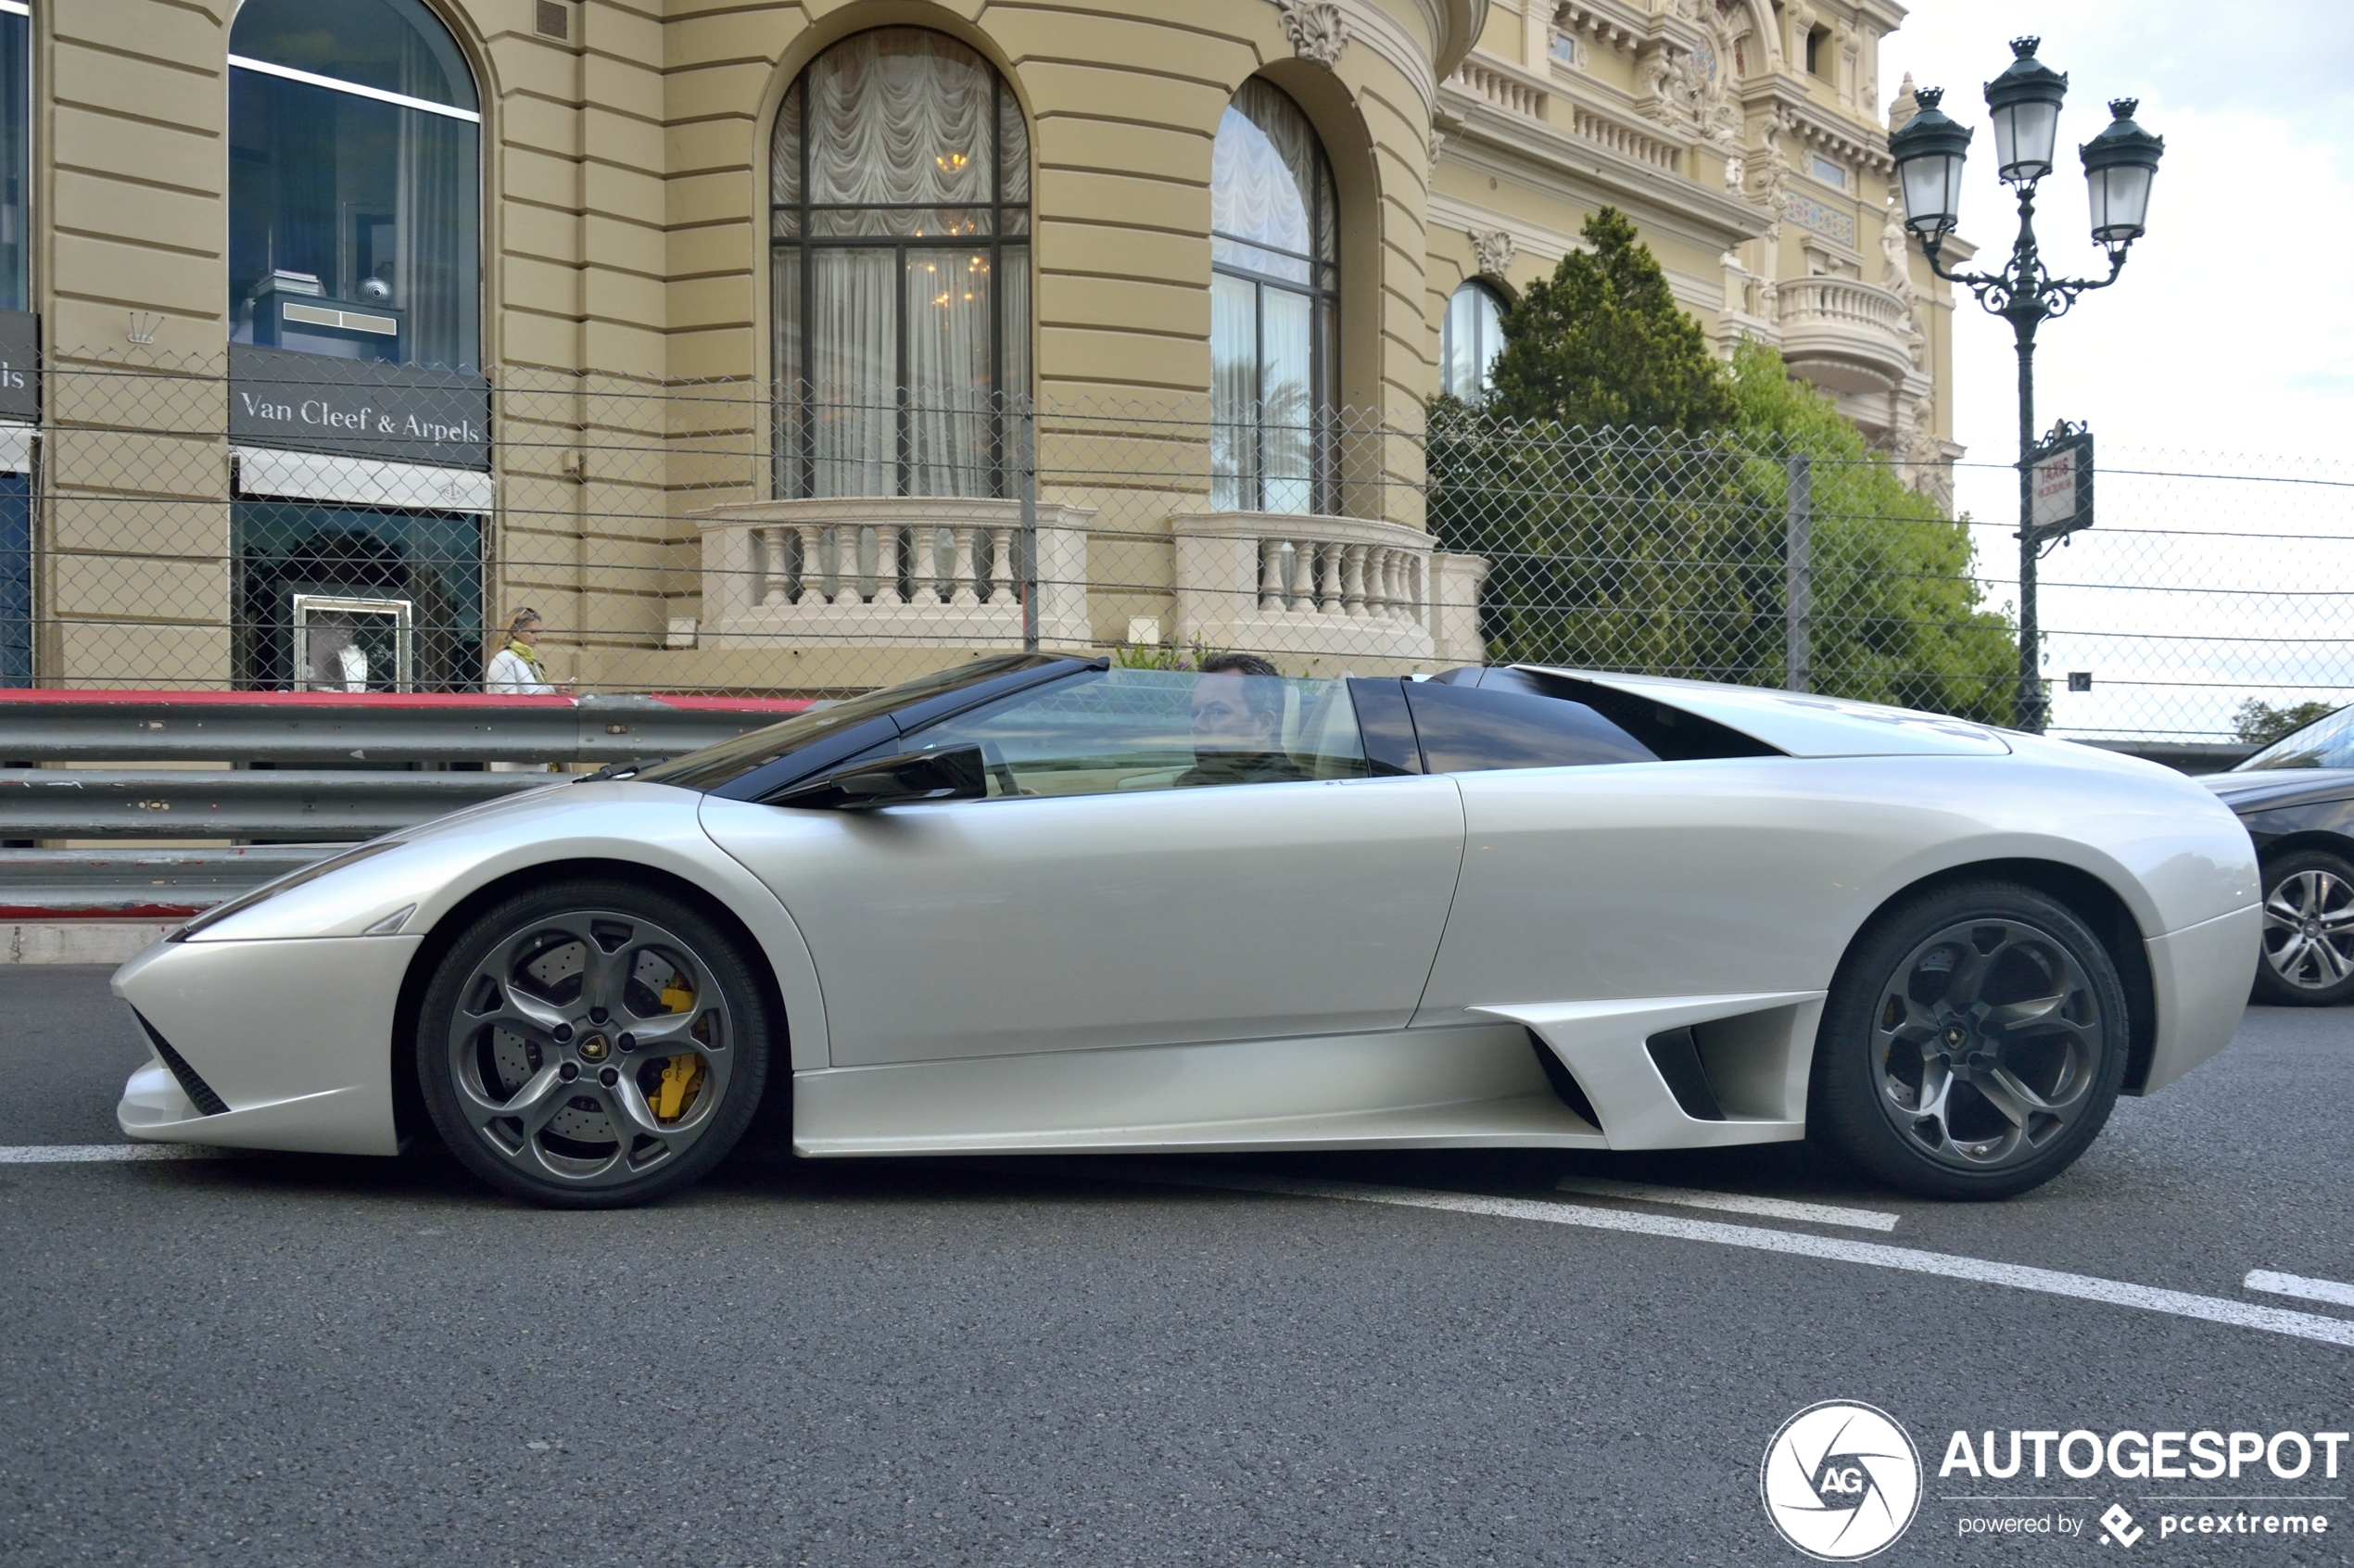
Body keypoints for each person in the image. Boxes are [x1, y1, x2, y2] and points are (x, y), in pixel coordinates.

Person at [1176, 651, 1307, 787]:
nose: (1197, 726)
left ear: (1264, 725)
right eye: (1195, 713)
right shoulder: (1214, 777)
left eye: (1217, 712)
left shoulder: (1273, 794)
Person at [485, 608, 574, 695]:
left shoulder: (531, 661)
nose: (538, 638)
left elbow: (535, 693)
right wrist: (550, 689)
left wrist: (555, 692)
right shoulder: (504, 658)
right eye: (532, 632)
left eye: (539, 632)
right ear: (515, 631)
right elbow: (508, 700)